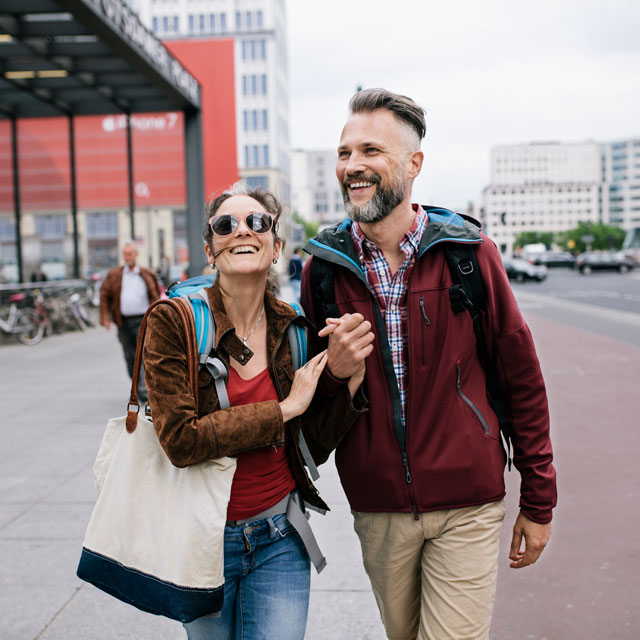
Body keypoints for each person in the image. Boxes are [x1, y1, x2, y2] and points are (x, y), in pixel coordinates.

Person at [300, 88, 558, 640]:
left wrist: (539, 498)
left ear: (413, 164)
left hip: (468, 500)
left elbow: (522, 381)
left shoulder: (468, 254)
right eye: (344, 153)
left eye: (371, 150)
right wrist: (340, 375)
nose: (353, 166)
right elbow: (310, 418)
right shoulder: (324, 271)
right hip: (379, 508)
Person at [142, 184, 372, 640]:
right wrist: (283, 408)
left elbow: (310, 446)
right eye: (225, 225)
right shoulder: (173, 322)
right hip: (204, 539)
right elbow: (181, 441)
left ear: (276, 246)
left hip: (280, 537)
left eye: (257, 222)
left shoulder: (294, 326)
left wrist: (351, 384)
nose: (241, 231)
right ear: (210, 249)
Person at [99, 242, 160, 402]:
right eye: (125, 255)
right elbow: (104, 295)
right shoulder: (115, 274)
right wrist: (105, 318)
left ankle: (142, 389)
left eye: (130, 254)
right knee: (130, 355)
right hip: (123, 321)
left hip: (143, 319)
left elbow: (155, 295)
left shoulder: (146, 273)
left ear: (136, 255)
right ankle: (136, 385)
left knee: (143, 354)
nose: (127, 258)